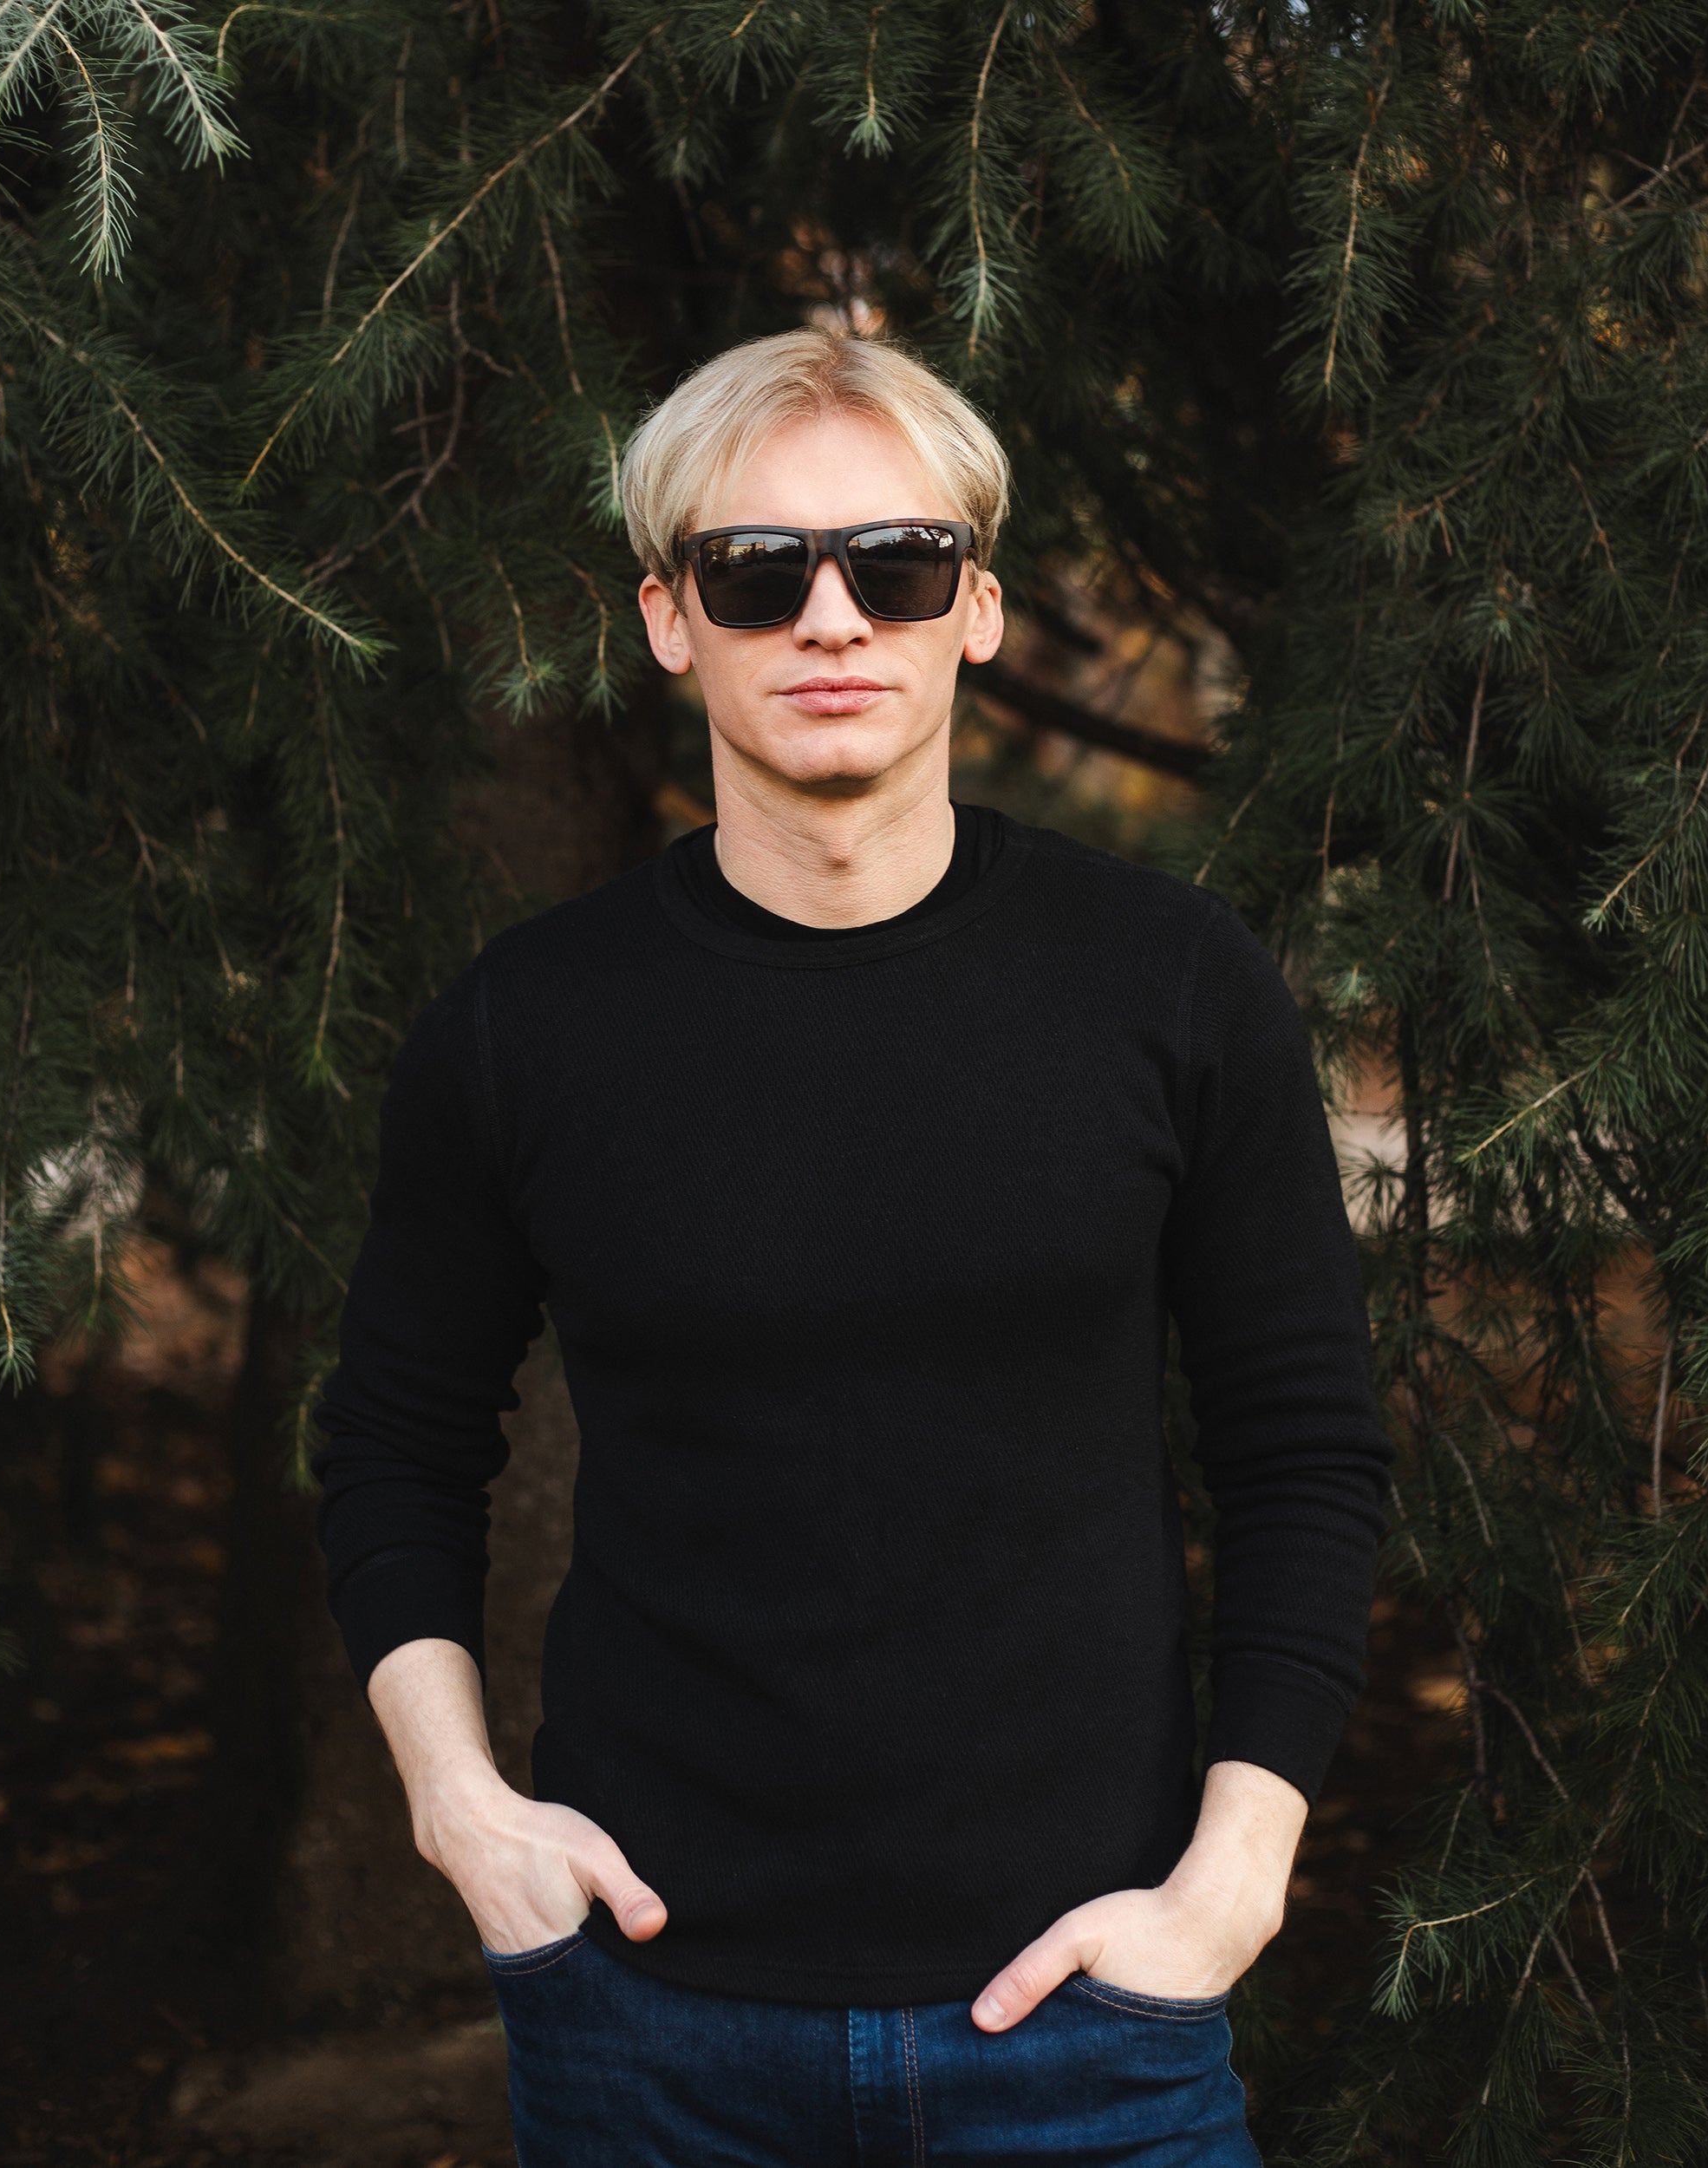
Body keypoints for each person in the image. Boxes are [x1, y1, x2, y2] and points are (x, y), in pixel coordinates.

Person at [312, 327, 1392, 2166]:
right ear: (670, 619)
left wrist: (1232, 1877)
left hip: (1095, 2029)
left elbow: (1303, 1445)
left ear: (976, 608)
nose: (832, 620)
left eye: (895, 563)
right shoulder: (526, 1027)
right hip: (649, 2035)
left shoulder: (1172, 989)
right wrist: (459, 1807)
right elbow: (396, 1439)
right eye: (757, 569)